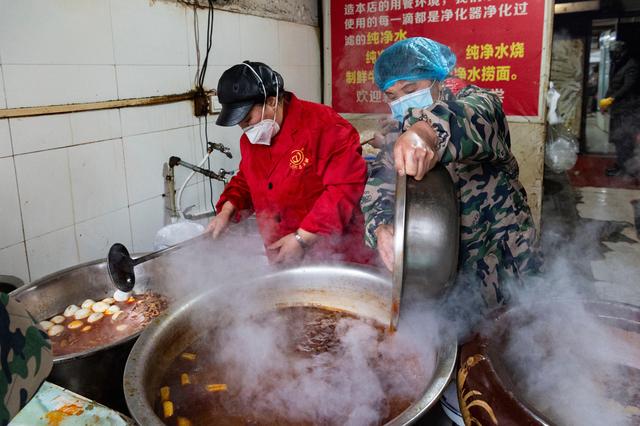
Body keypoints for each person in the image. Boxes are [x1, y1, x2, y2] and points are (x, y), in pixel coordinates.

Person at [362, 37, 542, 310]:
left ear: (437, 78)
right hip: (442, 267)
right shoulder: (399, 127)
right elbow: (380, 183)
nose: (402, 101)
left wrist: (424, 133)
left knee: (508, 336)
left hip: (499, 254)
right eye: (392, 96)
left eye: (411, 89)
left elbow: (469, 118)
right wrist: (380, 227)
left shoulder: (477, 102)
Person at [207, 61, 371, 264]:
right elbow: (246, 179)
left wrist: (302, 238)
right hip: (282, 253)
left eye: (248, 118)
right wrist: (226, 211)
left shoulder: (324, 125)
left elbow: (345, 187)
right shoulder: (252, 140)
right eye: (239, 123)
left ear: (272, 102)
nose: (245, 128)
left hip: (334, 253)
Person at [599, 41, 640, 177]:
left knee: (625, 140)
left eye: (615, 53)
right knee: (619, 140)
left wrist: (612, 99)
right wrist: (606, 102)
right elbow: (614, 85)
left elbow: (628, 86)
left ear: (622, 52)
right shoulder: (619, 65)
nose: (613, 55)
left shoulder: (631, 65)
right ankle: (622, 164)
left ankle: (625, 169)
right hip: (619, 110)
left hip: (627, 111)